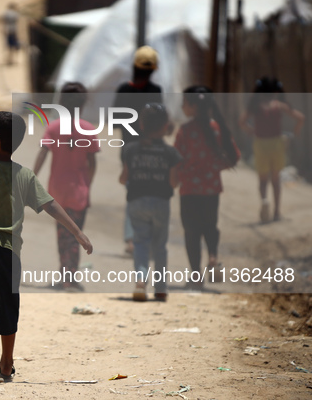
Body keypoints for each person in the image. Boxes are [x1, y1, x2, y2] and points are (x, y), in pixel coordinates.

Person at [0, 111, 93, 383]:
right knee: (8, 303)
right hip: (10, 252)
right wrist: (78, 232)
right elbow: (51, 206)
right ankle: (7, 362)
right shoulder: (24, 175)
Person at [33, 82, 99, 291]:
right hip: (79, 189)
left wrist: (31, 177)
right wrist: (87, 185)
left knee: (63, 234)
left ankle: (65, 276)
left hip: (57, 190)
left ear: (61, 102)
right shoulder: (88, 129)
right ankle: (70, 277)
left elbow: (43, 153)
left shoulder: (53, 127)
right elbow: (92, 163)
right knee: (77, 233)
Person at [174, 86, 240, 290]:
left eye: (184, 102)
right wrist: (214, 167)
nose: (182, 106)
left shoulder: (185, 131)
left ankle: (196, 276)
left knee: (191, 232)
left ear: (193, 106)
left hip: (189, 190)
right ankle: (213, 256)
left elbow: (176, 160)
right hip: (211, 189)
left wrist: (175, 180)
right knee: (210, 226)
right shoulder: (217, 127)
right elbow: (234, 156)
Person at [119, 103, 181, 302]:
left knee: (140, 243)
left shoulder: (130, 150)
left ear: (141, 125)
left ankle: (140, 282)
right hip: (161, 202)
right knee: (160, 246)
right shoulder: (170, 153)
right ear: (165, 126)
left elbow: (123, 178)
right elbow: (173, 182)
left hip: (137, 202)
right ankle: (161, 288)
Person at [113, 45, 163, 256]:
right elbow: (161, 122)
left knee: (133, 193)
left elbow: (115, 121)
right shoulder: (156, 92)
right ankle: (146, 239)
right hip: (152, 149)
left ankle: (132, 239)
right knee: (151, 192)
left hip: (129, 149)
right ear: (153, 69)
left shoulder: (124, 90)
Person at [238, 77, 305, 223]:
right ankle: (276, 213)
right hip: (277, 144)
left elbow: (242, 122)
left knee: (262, 180)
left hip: (260, 143)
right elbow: (300, 117)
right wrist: (295, 133)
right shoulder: (279, 105)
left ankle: (264, 200)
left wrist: (253, 131)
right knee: (276, 180)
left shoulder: (255, 106)